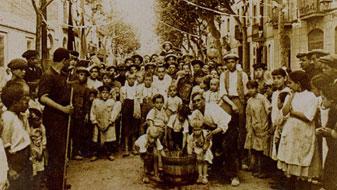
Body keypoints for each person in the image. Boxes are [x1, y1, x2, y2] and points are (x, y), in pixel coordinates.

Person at [277, 71, 321, 189]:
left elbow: (308, 116)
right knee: (291, 164)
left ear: (299, 83)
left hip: (304, 133)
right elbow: (285, 112)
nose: (288, 85)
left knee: (302, 165)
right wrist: (291, 97)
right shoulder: (291, 95)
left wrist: (294, 113)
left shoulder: (311, 96)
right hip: (291, 133)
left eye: (291, 83)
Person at [38, 48, 73, 190]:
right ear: (64, 60)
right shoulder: (48, 75)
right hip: (53, 120)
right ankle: (54, 185)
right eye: (69, 60)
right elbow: (42, 97)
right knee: (55, 153)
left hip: (63, 119)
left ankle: (60, 181)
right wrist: (62, 108)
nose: (70, 62)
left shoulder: (62, 75)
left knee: (62, 152)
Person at [190, 92, 239, 186]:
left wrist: (212, 133)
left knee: (227, 146)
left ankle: (234, 176)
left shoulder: (211, 108)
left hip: (229, 126)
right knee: (211, 147)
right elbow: (193, 122)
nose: (197, 103)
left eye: (199, 100)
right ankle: (216, 171)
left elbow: (222, 125)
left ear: (203, 100)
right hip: (215, 129)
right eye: (195, 101)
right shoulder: (197, 112)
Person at [219, 53, 249, 169]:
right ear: (226, 63)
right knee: (224, 127)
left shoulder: (243, 75)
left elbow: (246, 91)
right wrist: (232, 104)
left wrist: (240, 103)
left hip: (239, 101)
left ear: (236, 62)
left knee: (241, 130)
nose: (231, 64)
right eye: (228, 62)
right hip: (227, 101)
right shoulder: (223, 75)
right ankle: (224, 157)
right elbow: (222, 93)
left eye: (233, 62)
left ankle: (242, 158)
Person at [1, 81, 32, 190]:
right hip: (15, 162)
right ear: (14, 102)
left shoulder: (21, 115)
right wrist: (10, 169)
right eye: (23, 100)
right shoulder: (7, 118)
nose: (27, 102)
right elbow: (5, 146)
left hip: (25, 160)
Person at [244, 80, 271, 178]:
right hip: (254, 127)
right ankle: (255, 168)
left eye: (252, 88)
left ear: (256, 88)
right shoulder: (250, 101)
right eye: (249, 89)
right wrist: (249, 127)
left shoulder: (262, 99)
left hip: (263, 126)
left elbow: (269, 111)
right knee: (255, 149)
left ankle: (263, 170)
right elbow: (248, 115)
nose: (251, 91)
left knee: (263, 150)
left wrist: (268, 126)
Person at [90, 85, 121, 161]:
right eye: (103, 93)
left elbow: (114, 112)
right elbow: (92, 112)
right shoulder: (96, 101)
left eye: (106, 93)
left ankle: (109, 153)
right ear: (100, 94)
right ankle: (95, 153)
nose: (104, 94)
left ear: (109, 94)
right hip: (98, 123)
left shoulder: (112, 102)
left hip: (108, 123)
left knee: (109, 139)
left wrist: (111, 121)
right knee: (97, 139)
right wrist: (94, 121)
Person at [316, 84, 337, 190]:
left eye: (323, 98)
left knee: (331, 169)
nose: (322, 102)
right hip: (333, 146)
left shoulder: (334, 110)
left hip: (334, 146)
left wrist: (331, 132)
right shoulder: (332, 110)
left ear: (332, 100)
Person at [187, 110, 213, 184]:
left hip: (205, 149)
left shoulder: (205, 133)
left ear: (201, 128)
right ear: (192, 130)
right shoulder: (192, 136)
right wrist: (191, 151)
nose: (197, 132)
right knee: (199, 162)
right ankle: (200, 175)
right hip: (197, 150)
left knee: (205, 162)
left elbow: (209, 142)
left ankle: (205, 176)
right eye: (195, 130)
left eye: (198, 130)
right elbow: (190, 145)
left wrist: (205, 148)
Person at [71, 67, 91, 160]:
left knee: (78, 132)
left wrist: (86, 113)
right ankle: (69, 152)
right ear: (77, 75)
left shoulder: (86, 88)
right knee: (70, 131)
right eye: (80, 74)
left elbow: (87, 102)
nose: (82, 76)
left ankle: (76, 151)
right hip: (72, 111)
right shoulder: (72, 86)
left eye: (84, 75)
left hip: (80, 112)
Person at [120, 73, 139, 156]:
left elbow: (138, 100)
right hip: (126, 109)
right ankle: (126, 148)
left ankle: (133, 147)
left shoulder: (137, 88)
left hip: (135, 108)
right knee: (126, 128)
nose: (131, 80)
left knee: (134, 128)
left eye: (133, 79)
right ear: (127, 79)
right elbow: (122, 101)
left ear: (135, 80)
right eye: (129, 79)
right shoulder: (123, 89)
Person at [28, 107, 47, 189]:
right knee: (33, 173)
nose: (39, 121)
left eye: (40, 119)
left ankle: (39, 185)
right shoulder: (29, 129)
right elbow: (30, 142)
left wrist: (42, 150)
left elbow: (44, 139)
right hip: (32, 154)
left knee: (40, 171)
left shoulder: (42, 127)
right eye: (36, 120)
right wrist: (34, 152)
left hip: (40, 152)